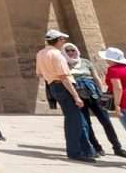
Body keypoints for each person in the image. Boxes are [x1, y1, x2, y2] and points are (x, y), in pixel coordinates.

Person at [36, 29, 96, 162]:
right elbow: (64, 77)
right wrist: (76, 96)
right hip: (64, 87)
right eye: (62, 39)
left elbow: (39, 73)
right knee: (74, 121)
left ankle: (87, 150)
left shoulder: (40, 53)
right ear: (58, 40)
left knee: (77, 119)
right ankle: (75, 152)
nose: (64, 42)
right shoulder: (57, 55)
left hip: (53, 86)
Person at [63, 43, 126, 158]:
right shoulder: (64, 64)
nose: (70, 52)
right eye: (67, 51)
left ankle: (117, 147)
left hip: (94, 93)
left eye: (72, 50)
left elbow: (96, 77)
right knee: (86, 123)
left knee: (106, 121)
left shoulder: (85, 62)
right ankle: (96, 147)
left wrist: (102, 93)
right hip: (79, 95)